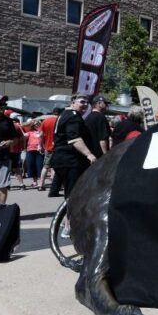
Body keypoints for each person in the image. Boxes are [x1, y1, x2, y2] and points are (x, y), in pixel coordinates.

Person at [52, 94, 96, 238]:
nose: (85, 104)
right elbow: (74, 139)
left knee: (70, 194)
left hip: (62, 159)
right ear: (73, 102)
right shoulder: (73, 116)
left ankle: (69, 225)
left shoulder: (65, 114)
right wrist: (89, 154)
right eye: (82, 102)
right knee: (73, 195)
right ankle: (68, 227)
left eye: (87, 103)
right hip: (70, 160)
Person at [38, 107, 63, 195]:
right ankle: (55, 185)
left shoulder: (45, 121)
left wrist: (40, 146)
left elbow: (40, 135)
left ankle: (41, 184)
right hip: (59, 147)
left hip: (48, 147)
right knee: (56, 167)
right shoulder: (61, 120)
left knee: (45, 166)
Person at [23, 118, 44, 188]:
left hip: (40, 151)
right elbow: (23, 134)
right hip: (30, 150)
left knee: (40, 166)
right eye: (35, 124)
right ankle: (34, 181)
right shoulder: (30, 132)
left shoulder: (42, 131)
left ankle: (41, 182)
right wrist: (30, 122)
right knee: (31, 166)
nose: (36, 125)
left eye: (38, 124)